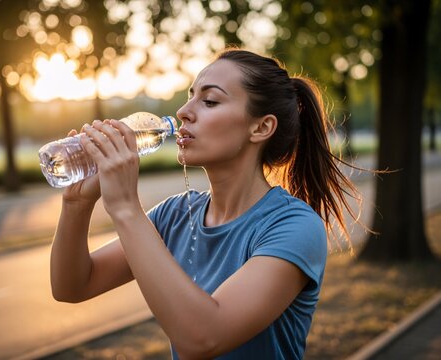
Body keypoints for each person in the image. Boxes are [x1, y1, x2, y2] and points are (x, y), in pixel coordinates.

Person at [50, 49, 359, 359]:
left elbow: (203, 338)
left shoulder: (293, 226)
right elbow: (73, 286)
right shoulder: (174, 215)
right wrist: (76, 203)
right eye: (190, 96)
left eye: (209, 101)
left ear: (261, 127)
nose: (184, 111)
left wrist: (126, 208)